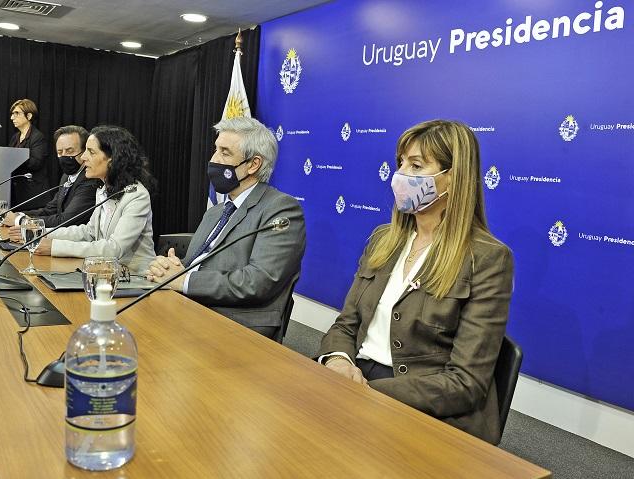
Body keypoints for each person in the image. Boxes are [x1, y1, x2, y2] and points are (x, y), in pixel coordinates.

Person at [317, 120, 514, 445]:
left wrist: (364, 391)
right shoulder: (384, 240)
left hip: (423, 408)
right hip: (353, 378)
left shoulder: (487, 258)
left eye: (416, 165)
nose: (400, 175)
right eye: (401, 163)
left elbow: (466, 382)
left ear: (453, 176)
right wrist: (338, 362)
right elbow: (345, 325)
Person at [145, 117, 306, 339]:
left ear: (253, 164)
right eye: (215, 150)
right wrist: (173, 268)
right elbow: (201, 264)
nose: (213, 159)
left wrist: (184, 280)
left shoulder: (280, 209)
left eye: (225, 152)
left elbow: (258, 281)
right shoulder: (216, 211)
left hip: (236, 324)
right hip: (189, 309)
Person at [31, 125, 156, 273]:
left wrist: (55, 247)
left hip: (136, 278)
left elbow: (114, 249)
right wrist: (39, 232)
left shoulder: (136, 195)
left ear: (112, 159)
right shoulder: (103, 189)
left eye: (91, 152)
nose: (83, 158)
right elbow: (88, 232)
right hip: (104, 272)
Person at [5, 125, 99, 229]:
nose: (64, 156)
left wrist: (21, 221)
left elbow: (66, 220)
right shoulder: (66, 176)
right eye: (60, 152)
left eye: (70, 151)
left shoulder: (90, 180)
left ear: (84, 151)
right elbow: (49, 210)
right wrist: (18, 215)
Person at [8, 99, 49, 208]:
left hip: (32, 196)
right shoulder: (15, 137)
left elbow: (35, 163)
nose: (12, 117)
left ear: (29, 116)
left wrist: (16, 155)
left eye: (16, 113)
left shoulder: (38, 137)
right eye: (12, 114)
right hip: (15, 194)